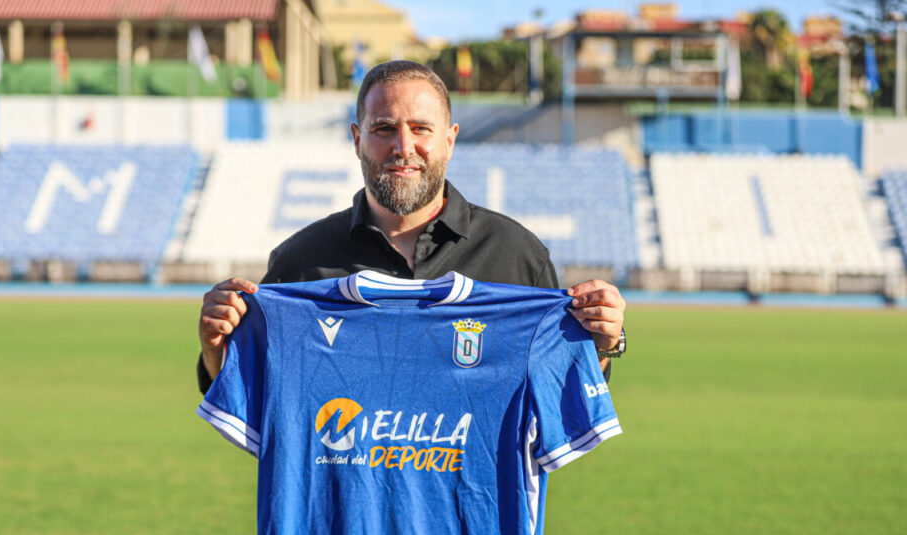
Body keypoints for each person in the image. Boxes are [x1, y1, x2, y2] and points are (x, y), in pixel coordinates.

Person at [197, 59, 625, 393]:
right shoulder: (300, 263)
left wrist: (604, 346)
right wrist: (216, 351)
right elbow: (261, 406)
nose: (404, 147)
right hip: (345, 507)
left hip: (469, 507)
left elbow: (560, 396)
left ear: (450, 139)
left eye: (421, 128)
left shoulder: (518, 255)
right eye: (384, 128)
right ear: (357, 139)